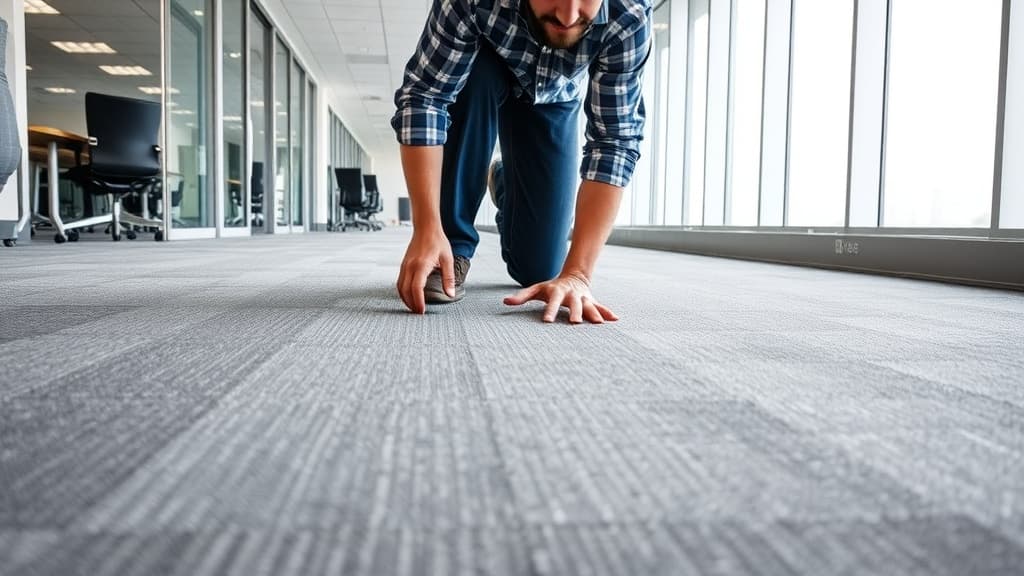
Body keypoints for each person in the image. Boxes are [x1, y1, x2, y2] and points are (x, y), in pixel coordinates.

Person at [392, 0, 651, 324]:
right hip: (478, 74)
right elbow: (425, 99)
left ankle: (503, 180)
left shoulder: (629, 12)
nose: (568, 16)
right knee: (473, 76)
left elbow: (614, 140)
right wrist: (426, 226)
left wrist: (578, 274)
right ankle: (450, 244)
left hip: (553, 95)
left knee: (538, 268)